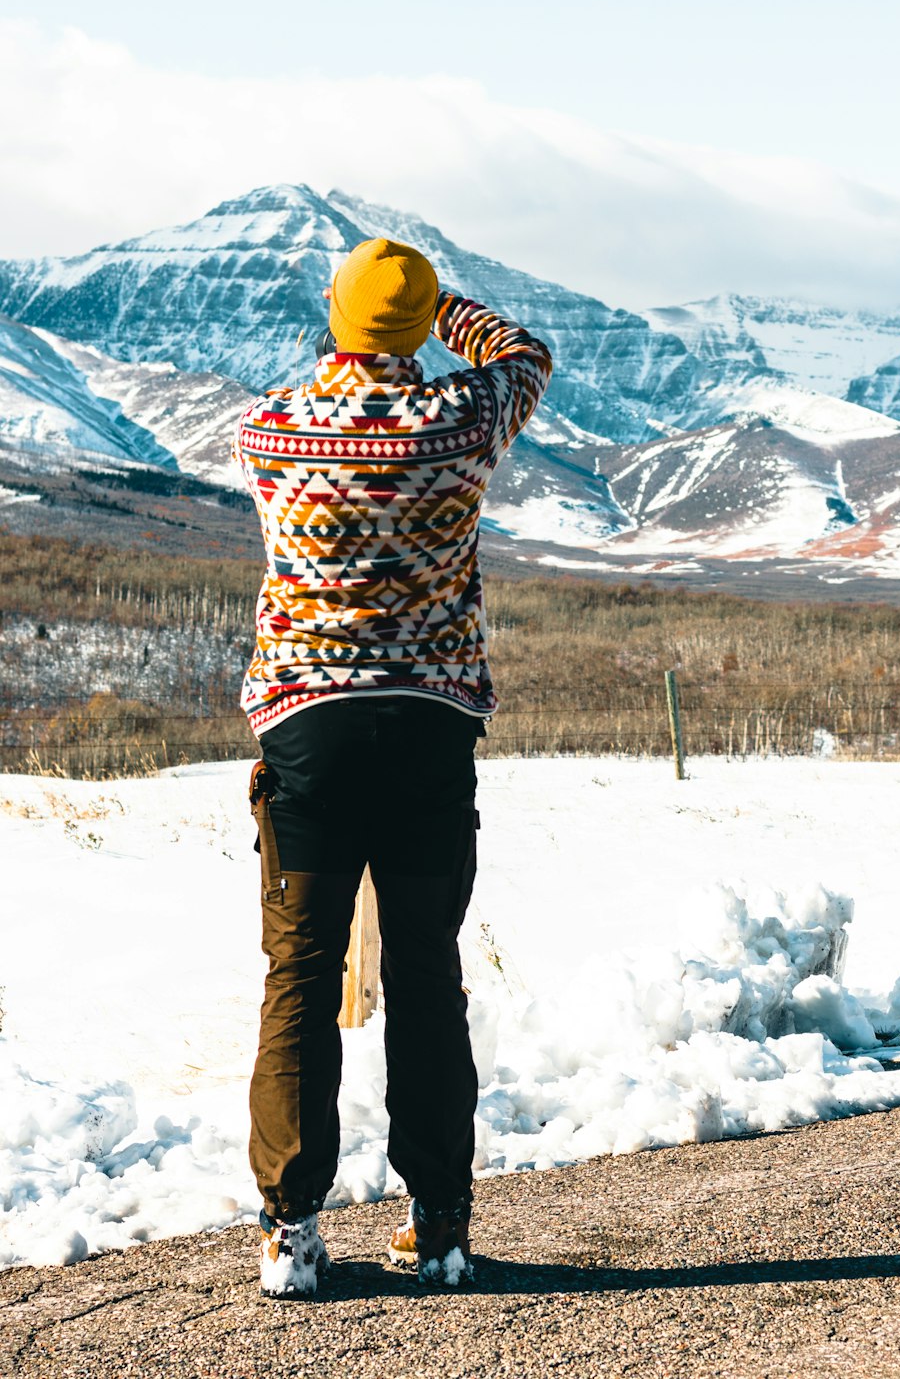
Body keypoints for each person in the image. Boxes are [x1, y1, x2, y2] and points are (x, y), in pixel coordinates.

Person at [233, 237, 553, 1297]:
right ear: (417, 328)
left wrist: (373, 319)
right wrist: (436, 314)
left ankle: (291, 1228)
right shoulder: (465, 422)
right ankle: (438, 1225)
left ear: (335, 317)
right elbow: (524, 352)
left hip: (309, 731)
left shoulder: (270, 429)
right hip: (428, 728)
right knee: (425, 979)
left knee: (302, 977)